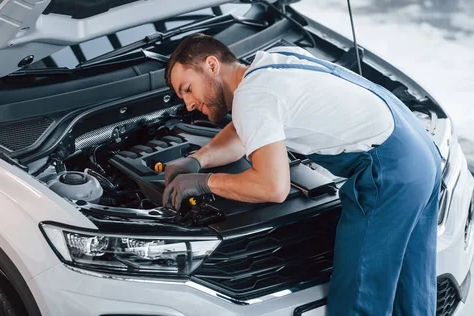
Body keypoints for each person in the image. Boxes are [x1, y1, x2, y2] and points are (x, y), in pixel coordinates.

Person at [162, 33, 442, 316]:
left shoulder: (251, 98)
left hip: (390, 172)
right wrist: (197, 161)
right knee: (412, 288)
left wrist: (204, 183)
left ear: (212, 65)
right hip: (418, 150)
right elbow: (245, 131)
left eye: (187, 89)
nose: (188, 104)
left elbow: (273, 186)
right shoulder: (273, 61)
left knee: (360, 297)